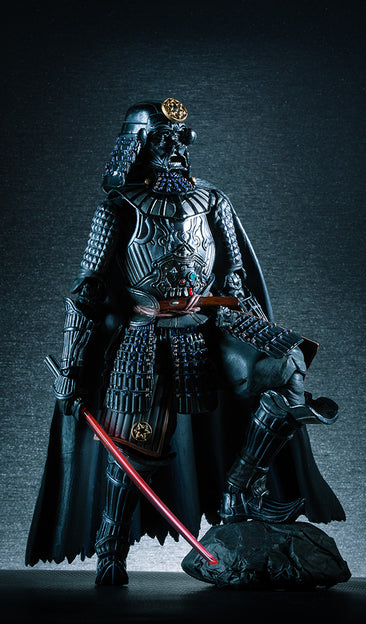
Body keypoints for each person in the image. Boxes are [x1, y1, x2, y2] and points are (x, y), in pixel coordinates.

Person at [26, 98, 345, 585]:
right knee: (135, 449)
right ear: (137, 146)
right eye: (162, 139)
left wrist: (262, 327)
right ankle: (111, 551)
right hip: (144, 337)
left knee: (285, 369)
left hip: (209, 329)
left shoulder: (213, 201)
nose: (176, 148)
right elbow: (86, 292)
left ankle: (239, 489)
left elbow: (234, 280)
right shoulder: (118, 208)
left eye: (181, 138)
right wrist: (71, 369)